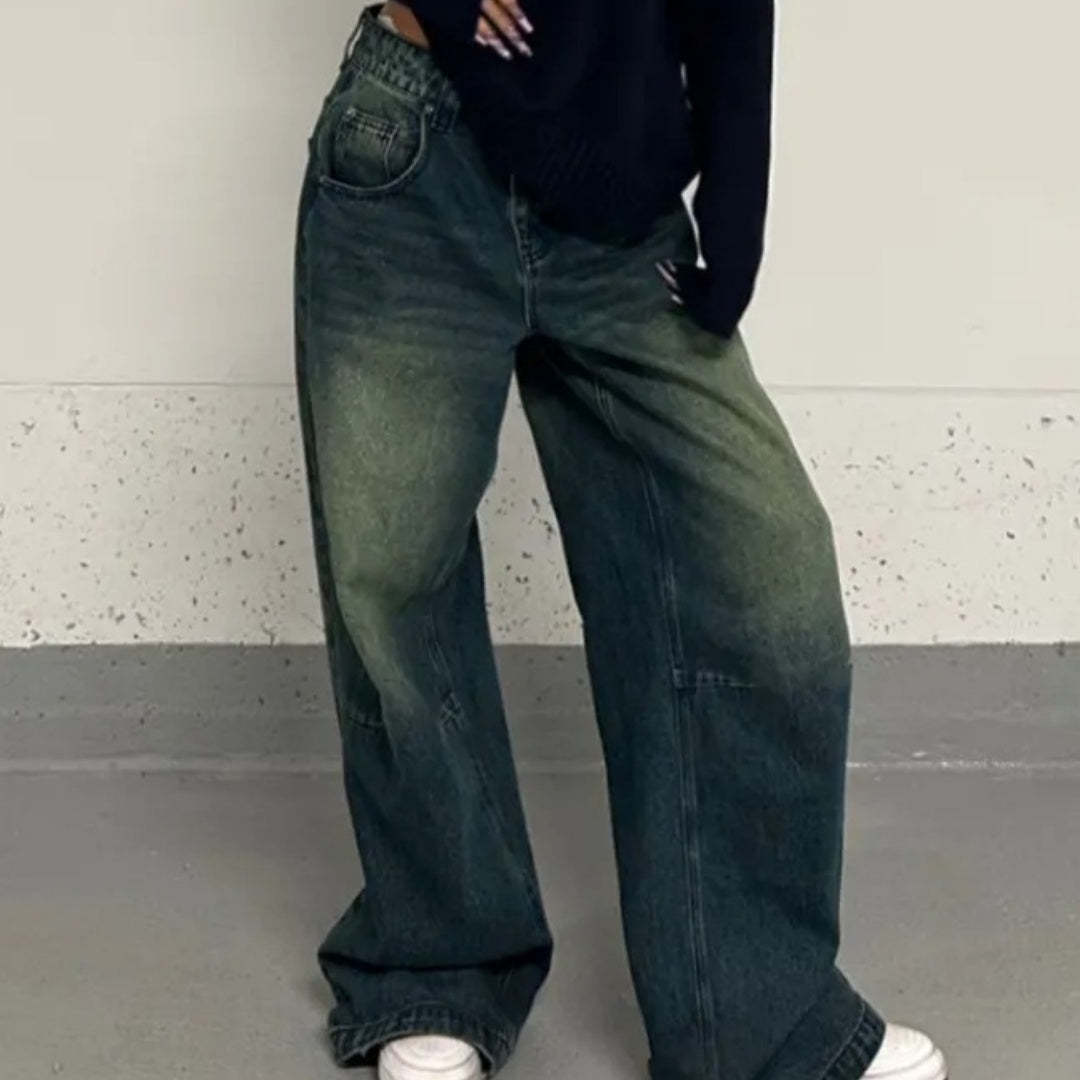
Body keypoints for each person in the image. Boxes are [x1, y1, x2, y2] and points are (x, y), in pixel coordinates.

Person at [291, 4, 949, 1080]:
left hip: (617, 184)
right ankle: (439, 963)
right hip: (409, 157)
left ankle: (753, 1012)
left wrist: (735, 195)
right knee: (394, 579)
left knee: (762, 570)